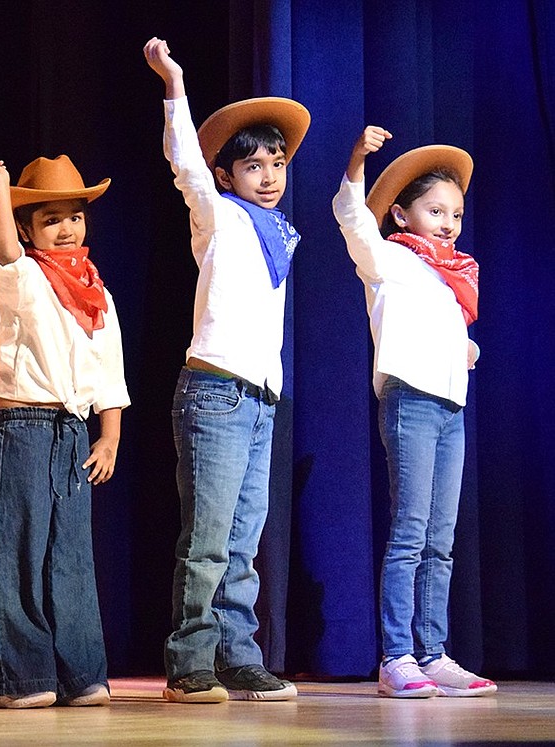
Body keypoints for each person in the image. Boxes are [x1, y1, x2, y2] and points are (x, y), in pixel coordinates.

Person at [143, 37, 309, 703]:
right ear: (227, 175)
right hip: (213, 391)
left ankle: (239, 654)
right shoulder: (219, 217)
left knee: (244, 540)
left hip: (260, 396)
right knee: (208, 537)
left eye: (276, 162)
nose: (267, 174)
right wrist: (174, 83)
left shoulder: (277, 233)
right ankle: (189, 660)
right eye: (252, 165)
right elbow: (184, 162)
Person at [334, 126, 496, 699]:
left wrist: (465, 348)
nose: (449, 222)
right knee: (409, 533)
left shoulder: (454, 279)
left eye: (455, 212)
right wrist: (356, 160)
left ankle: (434, 652)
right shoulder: (389, 260)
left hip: (451, 407)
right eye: (435, 210)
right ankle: (397, 655)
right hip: (410, 401)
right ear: (402, 216)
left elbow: (447, 333)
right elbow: (351, 216)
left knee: (441, 538)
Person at [0, 155, 129, 709]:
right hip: (24, 421)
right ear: (27, 227)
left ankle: (80, 672)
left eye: (74, 217)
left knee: (71, 552)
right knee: (20, 547)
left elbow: (109, 370)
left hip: (74, 428)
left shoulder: (97, 291)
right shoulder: (25, 273)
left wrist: (108, 436)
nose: (66, 228)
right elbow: (2, 251)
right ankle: (18, 677)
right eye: (51, 219)